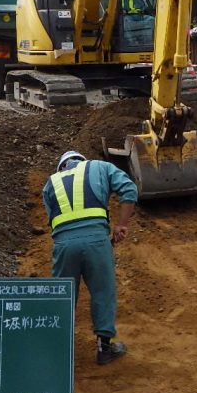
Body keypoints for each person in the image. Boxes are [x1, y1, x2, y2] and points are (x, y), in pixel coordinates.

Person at [43, 150, 137, 365]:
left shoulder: (51, 182)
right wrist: (122, 224)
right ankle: (104, 349)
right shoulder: (100, 167)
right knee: (103, 291)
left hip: (64, 245)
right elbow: (129, 189)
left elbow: (52, 220)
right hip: (96, 241)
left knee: (62, 296)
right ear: (81, 161)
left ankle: (58, 352)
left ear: (62, 167)